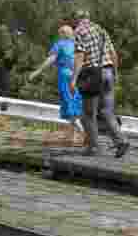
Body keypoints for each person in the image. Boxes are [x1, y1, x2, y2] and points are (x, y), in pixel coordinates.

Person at [69, 9, 130, 158]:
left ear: (77, 19)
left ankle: (94, 147)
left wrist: (74, 79)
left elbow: (80, 56)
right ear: (89, 18)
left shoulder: (78, 32)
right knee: (107, 111)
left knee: (88, 115)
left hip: (91, 75)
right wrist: (115, 73)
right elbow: (113, 54)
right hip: (108, 71)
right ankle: (121, 140)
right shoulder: (101, 30)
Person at [27, 24, 85, 144]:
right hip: (77, 77)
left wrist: (37, 72)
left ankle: (85, 134)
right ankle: (71, 137)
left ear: (63, 34)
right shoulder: (77, 45)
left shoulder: (60, 44)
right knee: (74, 106)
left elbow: (51, 59)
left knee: (68, 106)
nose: (58, 36)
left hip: (65, 76)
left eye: (60, 33)